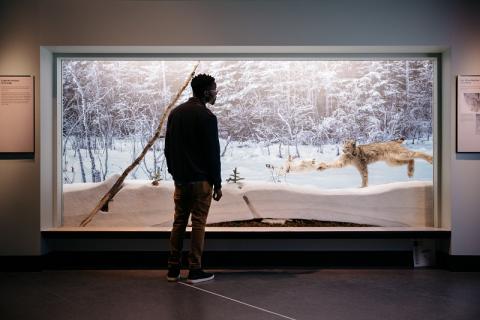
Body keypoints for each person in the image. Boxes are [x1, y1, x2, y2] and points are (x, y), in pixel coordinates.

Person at [164, 73, 222, 284]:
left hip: (181, 180)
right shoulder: (207, 117)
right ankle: (195, 269)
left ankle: (173, 269)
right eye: (215, 89)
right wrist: (217, 183)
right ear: (206, 92)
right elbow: (212, 153)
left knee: (179, 222)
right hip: (201, 182)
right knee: (198, 223)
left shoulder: (175, 113)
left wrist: (175, 173)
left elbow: (168, 148)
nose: (216, 93)